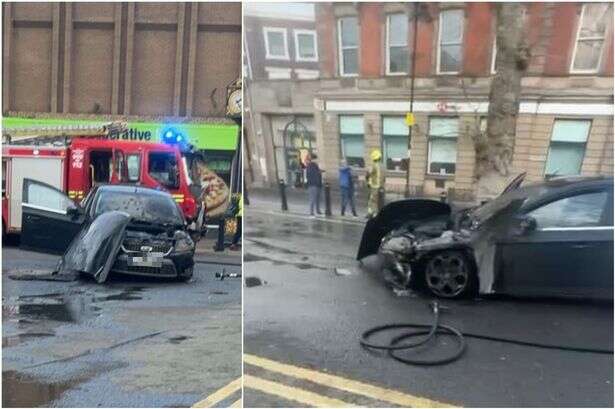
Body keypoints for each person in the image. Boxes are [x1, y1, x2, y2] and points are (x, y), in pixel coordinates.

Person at [366, 149, 385, 219]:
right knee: (380, 201)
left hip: (374, 187)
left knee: (372, 201)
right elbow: (384, 178)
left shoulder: (374, 166)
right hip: (382, 187)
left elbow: (368, 174)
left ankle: (372, 214)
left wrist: (368, 181)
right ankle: (379, 214)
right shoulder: (383, 166)